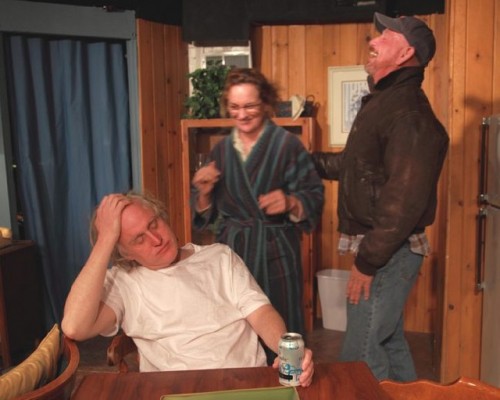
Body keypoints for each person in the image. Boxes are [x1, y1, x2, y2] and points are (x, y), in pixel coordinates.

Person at [312, 12, 449, 382]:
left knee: (359, 355)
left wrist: (367, 262)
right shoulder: (385, 103)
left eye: (386, 36)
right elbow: (354, 166)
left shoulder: (410, 114)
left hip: (388, 252)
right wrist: (304, 161)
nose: (373, 41)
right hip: (386, 250)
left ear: (405, 54)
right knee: (388, 341)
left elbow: (403, 201)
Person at [61, 192, 314, 386]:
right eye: (139, 239)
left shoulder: (219, 257)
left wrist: (285, 349)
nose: (156, 239)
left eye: (153, 224)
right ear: (125, 253)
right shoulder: (123, 282)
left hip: (245, 383)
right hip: (177, 391)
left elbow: (261, 313)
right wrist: (105, 239)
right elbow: (74, 326)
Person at [191, 68, 324, 344]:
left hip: (276, 251)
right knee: (235, 327)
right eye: (235, 107)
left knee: (282, 322)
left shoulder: (287, 146)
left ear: (265, 102)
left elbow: (314, 196)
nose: (242, 114)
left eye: (249, 106)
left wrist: (291, 202)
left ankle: (289, 369)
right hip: (233, 252)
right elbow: (208, 214)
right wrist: (203, 194)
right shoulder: (221, 150)